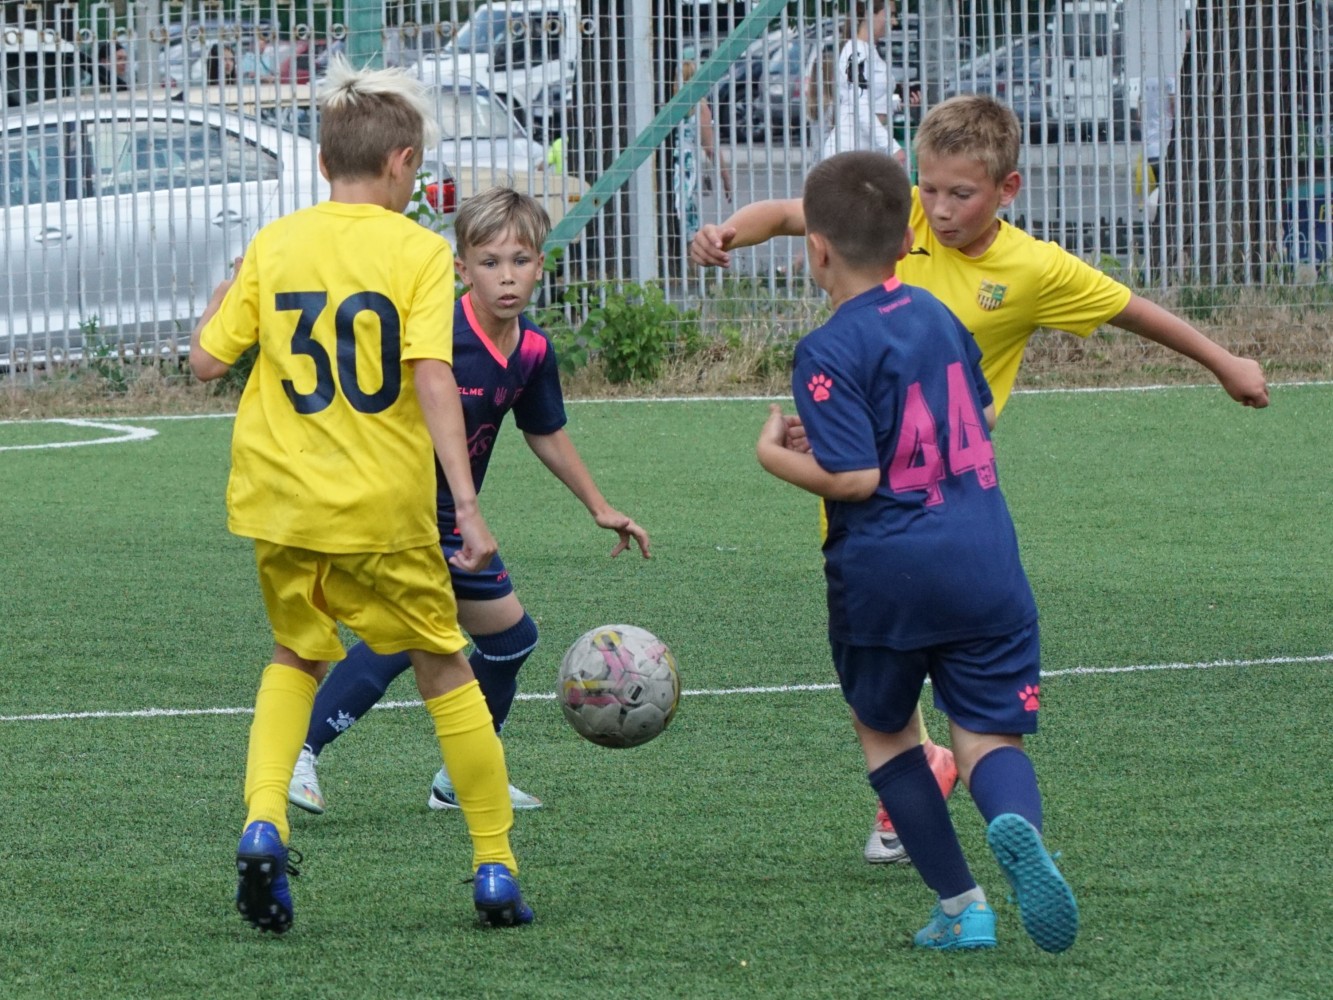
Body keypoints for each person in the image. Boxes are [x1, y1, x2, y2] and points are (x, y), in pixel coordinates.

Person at [693, 93, 1270, 866]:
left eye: (959, 193)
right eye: (928, 188)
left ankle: (942, 855)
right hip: (881, 493)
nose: (938, 209)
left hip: (928, 491)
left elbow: (1131, 310)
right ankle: (938, 775)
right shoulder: (897, 222)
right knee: (911, 658)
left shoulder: (1032, 268)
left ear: (1006, 189)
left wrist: (1224, 362)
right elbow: (793, 214)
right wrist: (729, 231)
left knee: (896, 663)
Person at [188, 57, 532, 934]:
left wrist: (232, 288)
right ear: (402, 163)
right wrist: (469, 506)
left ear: (321, 161)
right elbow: (432, 377)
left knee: (293, 656)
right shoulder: (417, 251)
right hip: (381, 506)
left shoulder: (277, 243)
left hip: (280, 500)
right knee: (444, 666)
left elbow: (206, 361)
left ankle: (263, 820)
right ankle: (494, 866)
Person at [756, 149, 1078, 952]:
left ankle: (962, 907)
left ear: (816, 249)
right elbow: (960, 415)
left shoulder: (826, 348)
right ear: (906, 240)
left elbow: (855, 478)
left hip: (887, 574)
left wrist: (774, 456)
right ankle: (1016, 825)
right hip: (984, 559)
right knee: (986, 737)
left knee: (888, 731)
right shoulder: (938, 314)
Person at [287, 185, 651, 817]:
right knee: (409, 634)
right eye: (490, 262)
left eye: (520, 260)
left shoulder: (532, 349)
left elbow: (544, 430)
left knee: (511, 641)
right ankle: (300, 752)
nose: (507, 276)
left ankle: (461, 778)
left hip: (453, 518)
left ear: (540, 265)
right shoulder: (438, 333)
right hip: (395, 509)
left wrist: (598, 506)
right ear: (463, 268)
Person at [823, 1, 906, 167]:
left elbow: (873, 102)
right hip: (848, 150)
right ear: (869, 14)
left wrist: (900, 103)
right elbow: (859, 104)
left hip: (865, 150)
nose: (894, 21)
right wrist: (891, 146)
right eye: (889, 15)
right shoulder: (856, 51)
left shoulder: (867, 50)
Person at [673, 60, 733, 252]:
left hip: (670, 163)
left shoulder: (667, 106)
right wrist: (725, 177)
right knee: (687, 221)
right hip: (686, 166)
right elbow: (710, 148)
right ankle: (689, 264)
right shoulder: (699, 107)